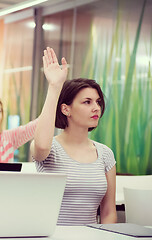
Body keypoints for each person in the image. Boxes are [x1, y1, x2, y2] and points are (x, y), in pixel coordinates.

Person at [30, 47, 117, 225]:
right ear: (65, 109)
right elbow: (41, 147)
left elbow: (108, 212)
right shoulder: (49, 148)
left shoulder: (105, 154)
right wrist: (54, 87)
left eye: (98, 102)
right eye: (87, 102)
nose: (96, 108)